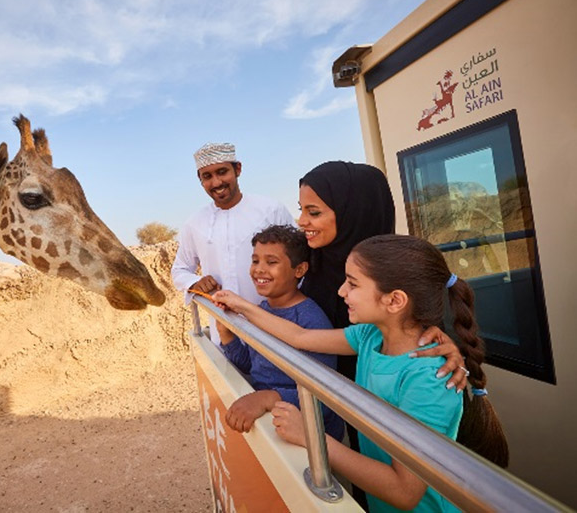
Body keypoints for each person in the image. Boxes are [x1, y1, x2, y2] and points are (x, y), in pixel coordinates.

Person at [213, 234, 509, 512]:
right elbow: (299, 337)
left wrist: (310, 435)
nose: (341, 291)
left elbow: (405, 492)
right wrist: (239, 306)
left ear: (394, 300)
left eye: (353, 284)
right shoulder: (370, 337)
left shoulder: (429, 378)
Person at [297, 161, 468, 388]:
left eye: (314, 212)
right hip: (321, 395)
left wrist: (449, 348)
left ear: (355, 211)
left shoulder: (399, 270)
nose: (301, 222)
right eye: (301, 209)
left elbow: (430, 337)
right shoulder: (305, 257)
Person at [218, 225, 344, 441]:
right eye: (255, 260)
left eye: (272, 262)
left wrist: (268, 399)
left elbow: (323, 398)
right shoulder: (262, 310)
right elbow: (254, 365)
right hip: (270, 422)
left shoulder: (310, 320)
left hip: (312, 440)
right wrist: (227, 336)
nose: (259, 269)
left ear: (299, 270)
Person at [171, 142, 294, 344]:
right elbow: (179, 270)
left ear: (237, 169)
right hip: (225, 333)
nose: (216, 182)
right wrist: (195, 283)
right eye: (207, 176)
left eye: (222, 172)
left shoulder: (270, 210)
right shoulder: (194, 223)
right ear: (200, 180)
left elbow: (299, 259)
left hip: (275, 328)